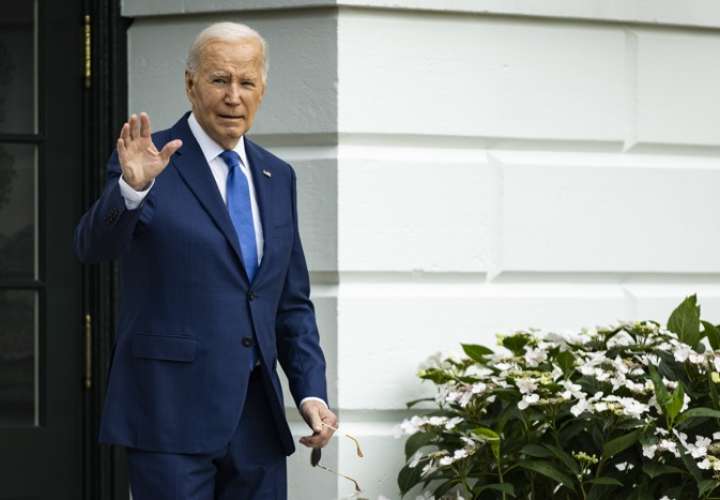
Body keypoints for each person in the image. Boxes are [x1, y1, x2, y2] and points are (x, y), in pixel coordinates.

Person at [74, 22, 337, 500]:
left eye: (246, 82)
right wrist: (131, 190)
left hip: (257, 422)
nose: (233, 95)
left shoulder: (278, 175)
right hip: (170, 416)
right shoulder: (150, 161)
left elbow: (289, 302)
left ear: (262, 90)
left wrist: (310, 392)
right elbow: (92, 248)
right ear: (190, 84)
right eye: (219, 80)